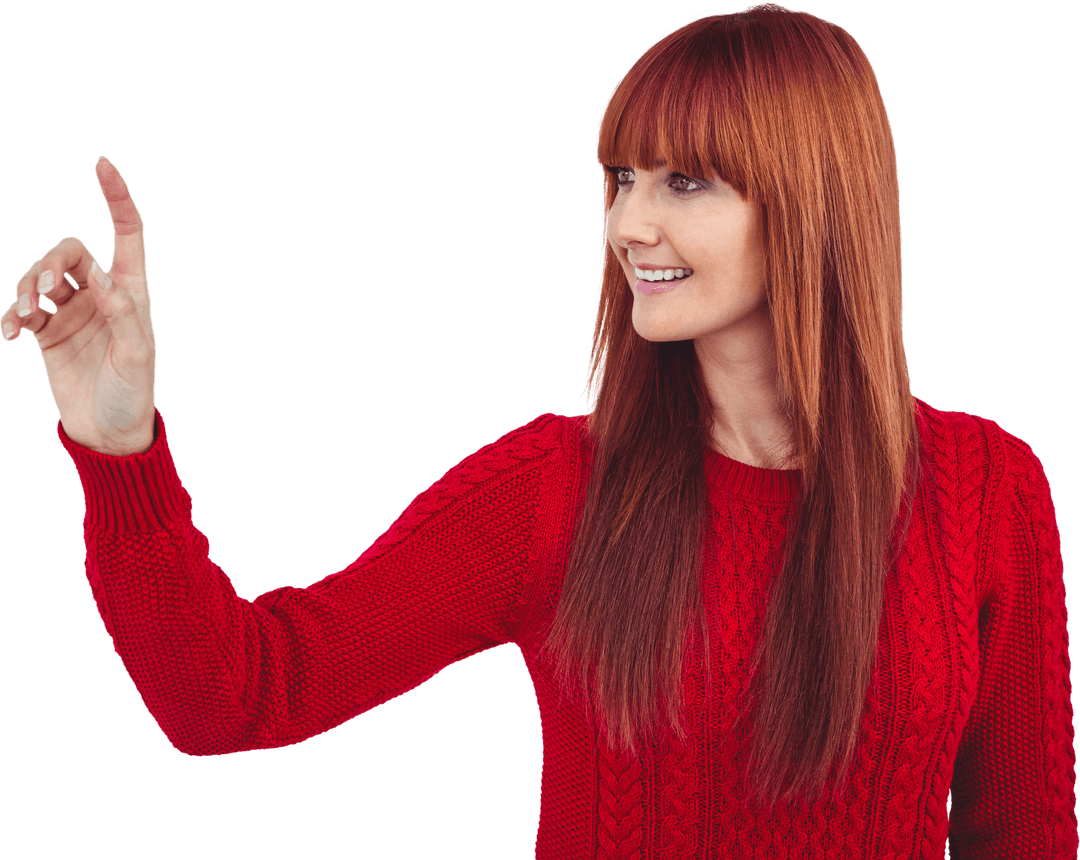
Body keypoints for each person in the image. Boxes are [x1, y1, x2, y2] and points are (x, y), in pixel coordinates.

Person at [4, 3, 1076, 856]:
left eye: (684, 181)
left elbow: (1022, 837)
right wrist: (119, 448)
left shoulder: (987, 488)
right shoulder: (554, 488)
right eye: (621, 177)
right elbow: (234, 691)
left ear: (815, 201)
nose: (625, 223)